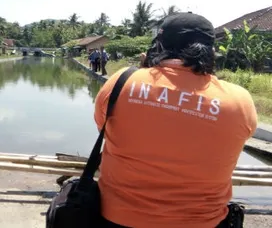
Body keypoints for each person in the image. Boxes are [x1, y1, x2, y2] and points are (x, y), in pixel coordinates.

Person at [93, 12, 257, 228]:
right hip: (202, 222)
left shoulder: (121, 82)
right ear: (211, 51)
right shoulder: (239, 100)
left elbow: (104, 128)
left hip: (118, 218)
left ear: (158, 45)